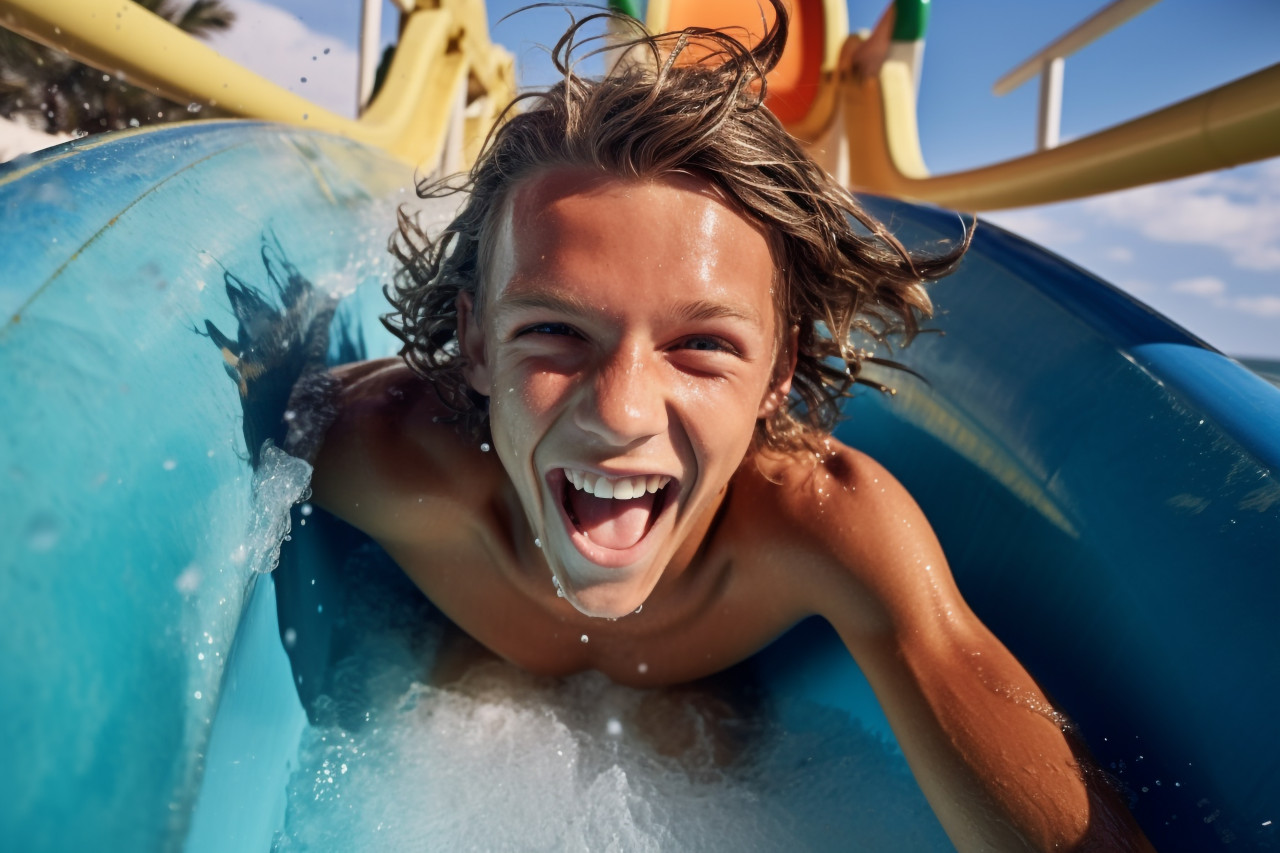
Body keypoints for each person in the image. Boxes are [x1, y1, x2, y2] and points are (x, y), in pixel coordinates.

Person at [310, 5, 1153, 850]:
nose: (622, 410)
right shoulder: (378, 454)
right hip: (446, 697)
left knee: (698, 725)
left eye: (702, 344)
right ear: (476, 343)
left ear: (777, 373)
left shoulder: (817, 524)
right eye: (555, 332)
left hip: (717, 719)